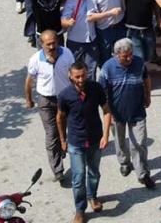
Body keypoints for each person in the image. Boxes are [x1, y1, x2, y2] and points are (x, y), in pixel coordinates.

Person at [56, 61, 110, 223]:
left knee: (94, 172)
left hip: (95, 139)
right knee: (78, 177)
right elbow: (60, 118)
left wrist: (106, 136)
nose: (81, 79)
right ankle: (80, 209)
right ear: (70, 76)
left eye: (83, 75)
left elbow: (106, 110)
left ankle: (92, 197)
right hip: (76, 142)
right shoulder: (65, 95)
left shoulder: (96, 88)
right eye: (77, 77)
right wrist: (62, 140)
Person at [98, 38, 154, 189]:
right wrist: (107, 112)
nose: (129, 58)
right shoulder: (107, 68)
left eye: (130, 54)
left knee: (139, 143)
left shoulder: (139, 63)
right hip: (117, 113)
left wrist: (147, 95)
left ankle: (142, 173)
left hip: (137, 110)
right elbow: (101, 91)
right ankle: (124, 162)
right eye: (125, 56)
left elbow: (146, 78)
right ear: (117, 55)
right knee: (120, 141)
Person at [25, 30, 75, 182]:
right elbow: (29, 80)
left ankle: (63, 145)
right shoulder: (35, 60)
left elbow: (73, 73)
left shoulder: (66, 53)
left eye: (54, 42)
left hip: (65, 99)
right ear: (42, 44)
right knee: (51, 134)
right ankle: (57, 169)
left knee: (68, 129)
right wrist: (29, 99)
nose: (52, 46)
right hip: (46, 101)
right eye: (48, 44)